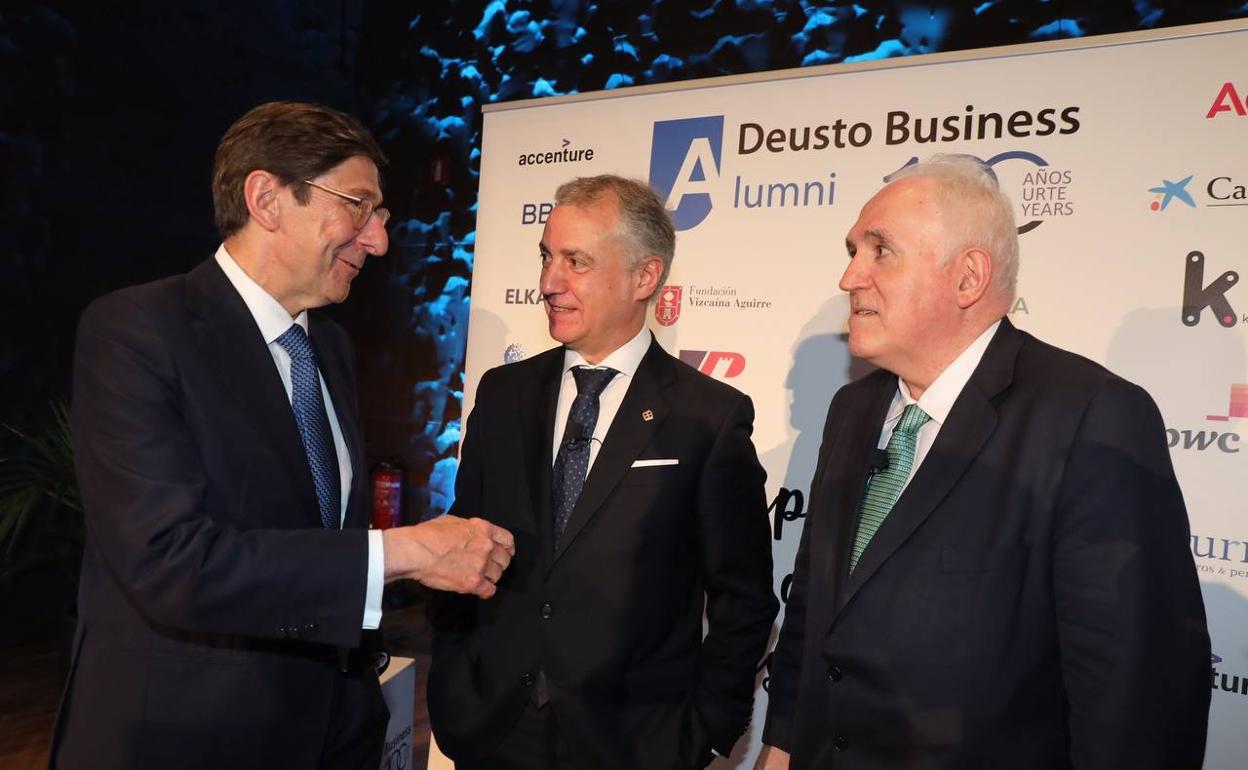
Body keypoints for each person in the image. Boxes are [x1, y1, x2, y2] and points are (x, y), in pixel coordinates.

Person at [50, 101, 515, 770]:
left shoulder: (330, 348)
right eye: (358, 207)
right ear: (267, 198)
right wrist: (402, 554)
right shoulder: (139, 331)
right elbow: (170, 564)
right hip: (187, 741)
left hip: (331, 733)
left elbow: (310, 539)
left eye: (380, 216)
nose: (379, 240)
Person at [755, 154, 1211, 770]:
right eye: (852, 249)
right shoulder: (852, 407)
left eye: (879, 250)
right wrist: (781, 743)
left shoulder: (1090, 416)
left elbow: (1137, 688)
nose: (849, 277)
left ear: (968, 277)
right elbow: (814, 602)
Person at [428, 175, 778, 770]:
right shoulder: (504, 392)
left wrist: (708, 732)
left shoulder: (709, 417)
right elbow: (466, 543)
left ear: (645, 277)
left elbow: (742, 600)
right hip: (492, 732)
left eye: (576, 262)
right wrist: (453, 688)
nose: (549, 283)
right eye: (546, 257)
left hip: (633, 745)